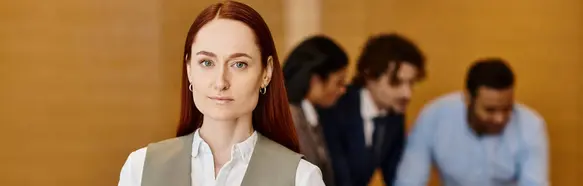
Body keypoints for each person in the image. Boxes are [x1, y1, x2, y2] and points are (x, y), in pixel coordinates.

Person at [117, 1, 325, 186]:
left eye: (239, 64)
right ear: (189, 69)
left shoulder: (301, 178)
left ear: (266, 72)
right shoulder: (140, 168)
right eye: (207, 63)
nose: (220, 82)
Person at [394, 58, 548, 186]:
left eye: (507, 108)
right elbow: (409, 180)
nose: (500, 118)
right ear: (468, 99)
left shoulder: (531, 125)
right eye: (490, 110)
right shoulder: (434, 117)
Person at [319, 33, 426, 186]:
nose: (407, 93)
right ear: (370, 75)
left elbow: (395, 175)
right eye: (396, 82)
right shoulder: (337, 106)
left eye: (411, 83)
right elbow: (338, 176)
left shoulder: (394, 115)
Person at [283, 35, 349, 186]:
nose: (343, 90)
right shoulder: (288, 119)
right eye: (339, 82)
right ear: (315, 80)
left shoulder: (308, 114)